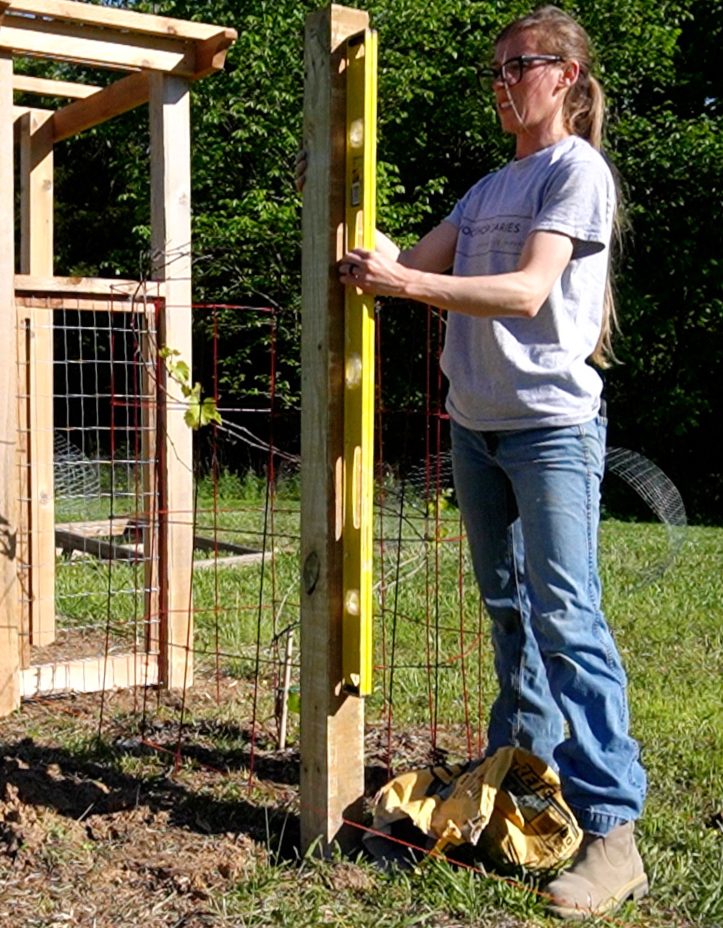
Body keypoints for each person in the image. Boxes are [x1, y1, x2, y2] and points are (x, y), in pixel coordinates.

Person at [334, 6, 647, 920]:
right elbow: (409, 260)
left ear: (568, 76)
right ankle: (518, 780)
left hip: (550, 429)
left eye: (523, 65)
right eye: (498, 69)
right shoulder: (486, 189)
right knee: (511, 613)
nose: (505, 82)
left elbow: (523, 292)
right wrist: (350, 222)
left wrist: (405, 282)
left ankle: (613, 832)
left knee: (567, 616)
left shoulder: (576, 173)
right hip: (476, 427)